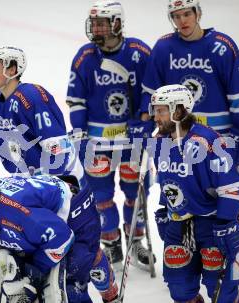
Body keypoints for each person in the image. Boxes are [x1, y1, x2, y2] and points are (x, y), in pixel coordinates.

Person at [0, 46, 119, 302]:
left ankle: (108, 288)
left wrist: (37, 186)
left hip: (66, 191)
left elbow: (57, 151)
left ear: (13, 69)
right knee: (45, 267)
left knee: (77, 265)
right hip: (36, 194)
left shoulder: (32, 96)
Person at [139, 0, 239, 284]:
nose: (182, 21)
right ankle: (193, 253)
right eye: (176, 16)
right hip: (177, 137)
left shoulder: (222, 46)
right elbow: (150, 94)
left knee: (231, 193)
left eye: (187, 14)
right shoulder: (163, 48)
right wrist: (148, 127)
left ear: (198, 14)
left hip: (219, 140)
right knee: (183, 190)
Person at [65, 0, 154, 271]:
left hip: (132, 141)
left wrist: (145, 121)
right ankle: (111, 241)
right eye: (94, 23)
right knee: (100, 196)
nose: (96, 28)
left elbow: (152, 90)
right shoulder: (84, 56)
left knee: (135, 194)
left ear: (117, 23)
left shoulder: (139, 52)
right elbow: (76, 101)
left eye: (102, 23)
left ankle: (136, 240)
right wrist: (79, 133)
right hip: (97, 143)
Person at [148, 84, 239, 302]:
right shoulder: (159, 142)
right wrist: (165, 208)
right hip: (178, 225)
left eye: (161, 110)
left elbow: (232, 187)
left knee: (220, 290)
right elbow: (168, 181)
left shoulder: (209, 141)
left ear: (179, 110)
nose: (155, 116)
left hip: (211, 226)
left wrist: (227, 224)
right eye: (155, 110)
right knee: (180, 289)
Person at [0, 174, 119, 303]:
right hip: (44, 211)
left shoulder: (20, 214)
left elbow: (63, 238)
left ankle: (110, 294)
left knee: (74, 271)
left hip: (74, 211)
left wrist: (36, 272)